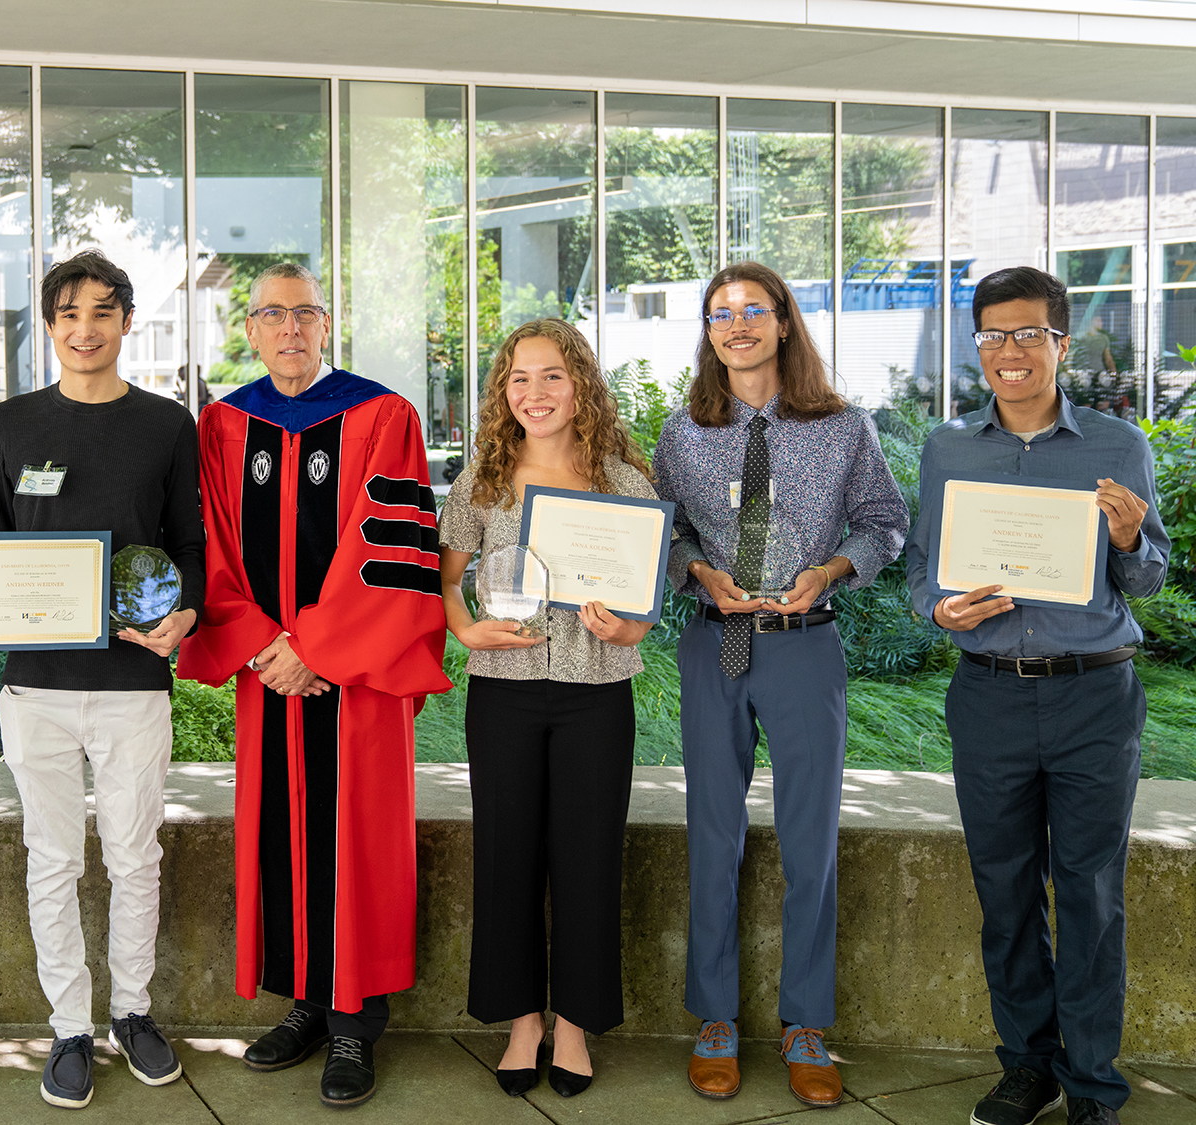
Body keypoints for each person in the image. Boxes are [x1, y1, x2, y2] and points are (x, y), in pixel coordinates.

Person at [0, 251, 205, 1110]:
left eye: (101, 311)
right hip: (37, 687)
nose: (83, 328)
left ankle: (133, 1011)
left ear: (126, 320)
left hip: (132, 681)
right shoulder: (13, 422)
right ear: (48, 326)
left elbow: (192, 545)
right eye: (66, 314)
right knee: (51, 860)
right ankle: (68, 1027)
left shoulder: (167, 425)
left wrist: (185, 613)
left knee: (134, 856)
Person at [177, 261, 450, 1109]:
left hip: (354, 680)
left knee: (355, 835)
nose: (289, 329)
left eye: (304, 314)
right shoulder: (223, 424)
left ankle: (354, 1019)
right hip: (271, 676)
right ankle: (304, 998)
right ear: (250, 330)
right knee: (283, 832)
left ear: (325, 325)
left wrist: (320, 648)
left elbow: (394, 550)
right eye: (271, 315)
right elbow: (211, 543)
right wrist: (264, 645)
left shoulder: (383, 415)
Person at [906, 267, 1166, 1125]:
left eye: (1026, 335)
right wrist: (939, 607)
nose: (1008, 353)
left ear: (1062, 342)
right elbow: (920, 573)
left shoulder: (1118, 446)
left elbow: (1149, 578)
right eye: (991, 336)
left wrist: (1128, 537)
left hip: (1095, 696)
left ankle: (1094, 1083)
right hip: (988, 696)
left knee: (1090, 893)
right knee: (1005, 890)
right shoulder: (949, 448)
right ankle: (1028, 1066)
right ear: (975, 345)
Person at [651, 261, 907, 1108]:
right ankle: (715, 1017)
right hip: (716, 641)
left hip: (804, 644)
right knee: (712, 834)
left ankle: (806, 1024)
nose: (737, 324)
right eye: (720, 313)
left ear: (784, 322)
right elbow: (667, 529)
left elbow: (884, 522)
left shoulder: (842, 427)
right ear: (708, 330)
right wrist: (695, 571)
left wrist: (836, 566)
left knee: (810, 842)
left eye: (753, 309)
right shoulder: (684, 431)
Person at [438, 319, 655, 1102]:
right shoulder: (484, 479)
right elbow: (447, 576)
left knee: (589, 857)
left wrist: (630, 625)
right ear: (504, 391)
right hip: (505, 689)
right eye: (520, 379)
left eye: (553, 376)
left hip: (597, 693)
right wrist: (465, 629)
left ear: (581, 385)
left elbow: (643, 604)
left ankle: (576, 1025)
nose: (535, 393)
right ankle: (521, 1019)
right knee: (507, 855)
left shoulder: (625, 481)